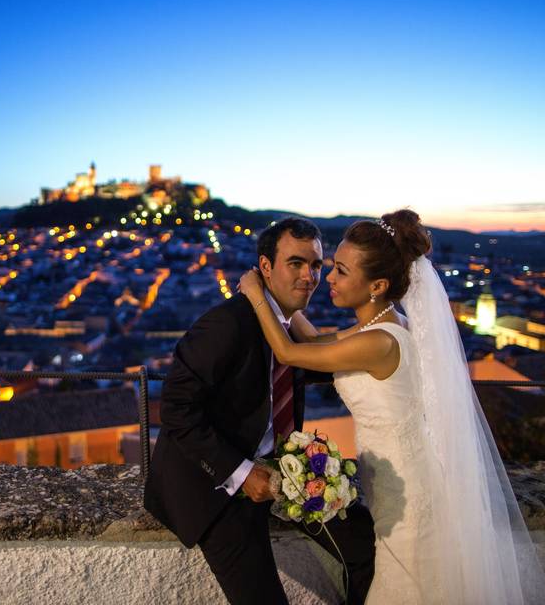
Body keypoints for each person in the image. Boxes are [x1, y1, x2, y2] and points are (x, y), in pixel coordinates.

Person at [237, 209, 545, 604]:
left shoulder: (379, 342)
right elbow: (317, 341)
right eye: (332, 267)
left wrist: (256, 293)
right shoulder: (386, 324)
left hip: (406, 490)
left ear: (378, 284)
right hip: (394, 482)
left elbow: (288, 352)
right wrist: (285, 296)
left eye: (341, 271)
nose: (327, 278)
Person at [144, 217, 376, 605]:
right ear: (265, 267)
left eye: (317, 265)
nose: (310, 276)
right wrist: (242, 471)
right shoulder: (226, 324)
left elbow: (317, 348)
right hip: (217, 487)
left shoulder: (289, 326)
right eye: (296, 263)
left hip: (286, 472)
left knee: (367, 548)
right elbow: (177, 409)